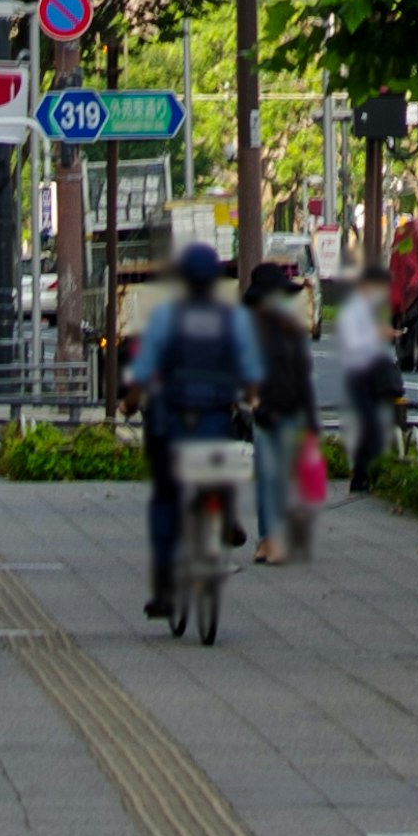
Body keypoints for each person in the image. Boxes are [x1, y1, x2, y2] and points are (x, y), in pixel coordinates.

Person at [129, 232, 252, 622]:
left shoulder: (168, 317)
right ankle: (226, 513)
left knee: (166, 499)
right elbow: (250, 371)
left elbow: (144, 369)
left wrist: (130, 401)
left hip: (172, 423)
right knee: (225, 460)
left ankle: (165, 588)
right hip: (214, 417)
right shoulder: (229, 319)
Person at [246, 251, 318, 559]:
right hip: (268, 411)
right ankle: (268, 539)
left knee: (280, 476)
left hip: (288, 410)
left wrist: (311, 421)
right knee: (268, 475)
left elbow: (303, 377)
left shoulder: (288, 332)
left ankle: (274, 538)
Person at [331, 260, 402, 491]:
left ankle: (363, 476)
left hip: (368, 373)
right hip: (359, 374)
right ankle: (362, 476)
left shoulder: (367, 308)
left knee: (371, 425)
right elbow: (352, 342)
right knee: (370, 425)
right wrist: (378, 333)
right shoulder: (354, 309)